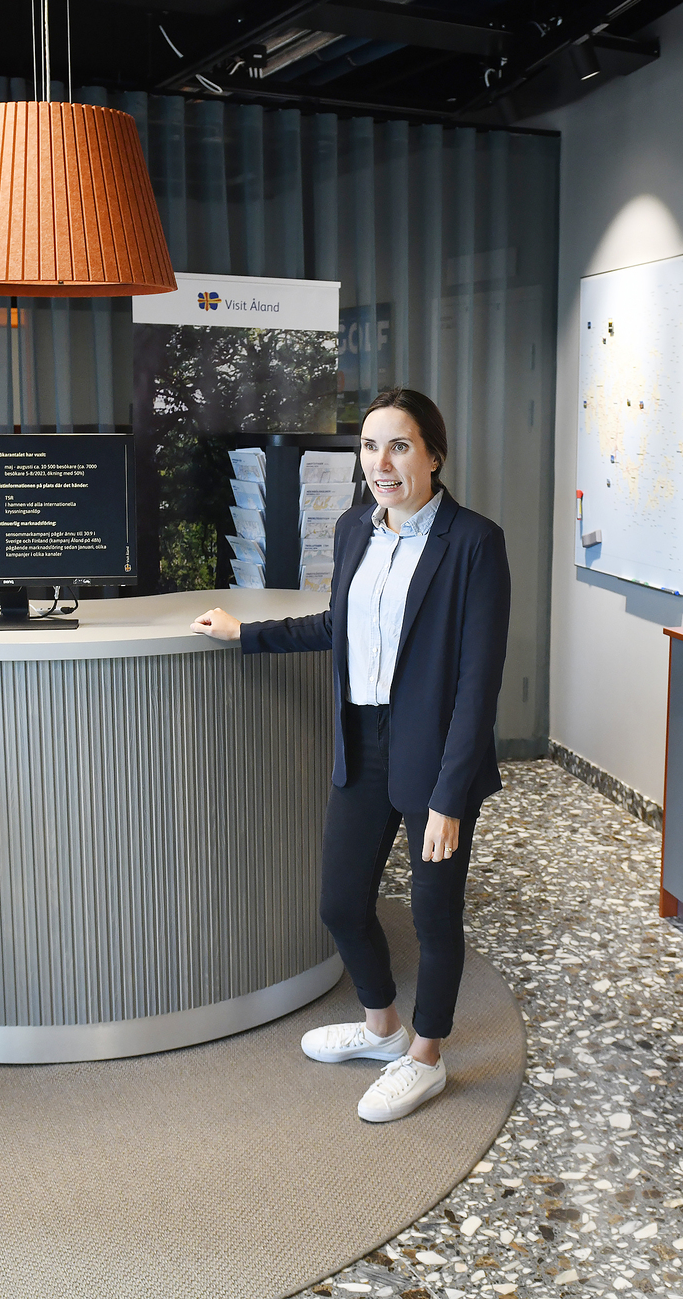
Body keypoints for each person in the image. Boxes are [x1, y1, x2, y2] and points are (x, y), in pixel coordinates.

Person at [190, 388, 511, 1124]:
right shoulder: (353, 530)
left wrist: (451, 795)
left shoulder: (473, 542)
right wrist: (248, 635)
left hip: (435, 755)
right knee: (339, 903)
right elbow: (340, 623)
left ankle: (425, 1059)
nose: (382, 463)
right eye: (370, 447)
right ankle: (381, 1029)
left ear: (434, 454)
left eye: (400, 446)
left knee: (433, 915)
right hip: (362, 743)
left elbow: (478, 681)